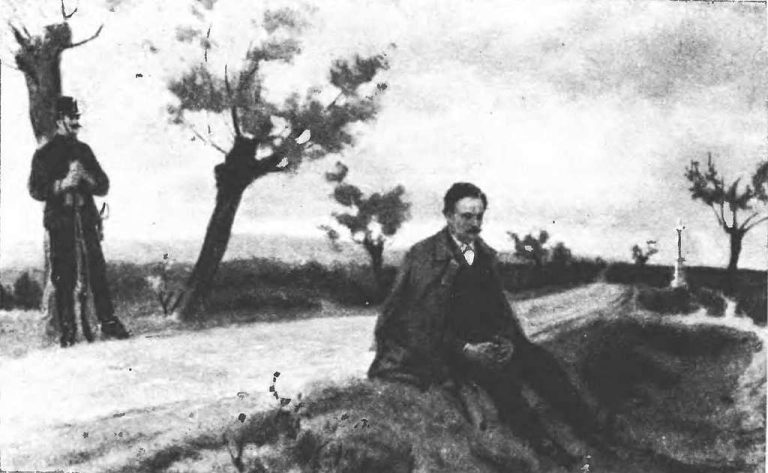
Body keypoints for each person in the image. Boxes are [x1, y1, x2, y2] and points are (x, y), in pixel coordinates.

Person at [368, 182, 607, 466]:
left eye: (479, 216)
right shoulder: (424, 256)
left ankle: (590, 431)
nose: (475, 223)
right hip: (437, 349)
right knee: (499, 380)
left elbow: (497, 310)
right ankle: (547, 448)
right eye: (466, 216)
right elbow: (416, 324)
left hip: (480, 341)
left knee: (539, 360)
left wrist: (507, 341)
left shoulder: (482, 254)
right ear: (448, 216)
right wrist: (465, 349)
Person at [29, 96, 130, 347]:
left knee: (97, 271)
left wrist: (85, 175)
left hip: (86, 221)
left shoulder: (84, 151)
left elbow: (103, 185)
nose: (76, 122)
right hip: (60, 223)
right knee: (63, 276)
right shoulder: (44, 155)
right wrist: (62, 184)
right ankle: (67, 329)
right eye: (71, 117)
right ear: (59, 120)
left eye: (77, 117)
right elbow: (36, 189)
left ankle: (107, 322)